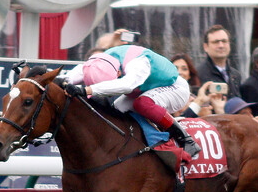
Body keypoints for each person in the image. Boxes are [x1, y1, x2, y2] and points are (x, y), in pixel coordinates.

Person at [63, 45, 201, 159]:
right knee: (117, 110)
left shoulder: (138, 63)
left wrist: (87, 90)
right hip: (145, 89)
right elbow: (67, 78)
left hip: (175, 88)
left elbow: (127, 85)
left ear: (117, 73)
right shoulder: (96, 64)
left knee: (143, 104)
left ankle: (185, 139)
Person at [196, 24, 241, 97]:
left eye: (224, 41)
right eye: (216, 42)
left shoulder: (236, 75)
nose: (221, 45)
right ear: (206, 47)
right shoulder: (198, 75)